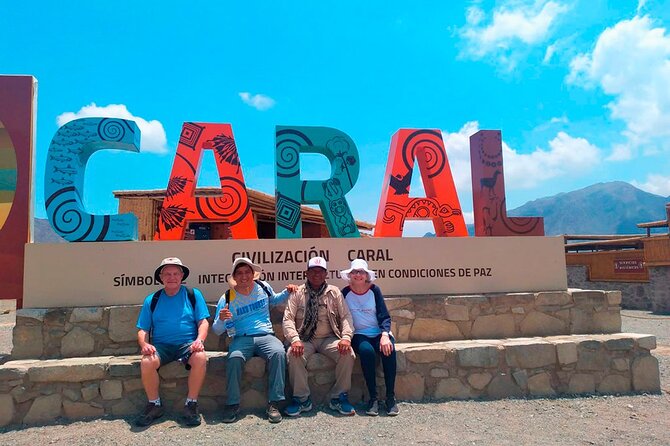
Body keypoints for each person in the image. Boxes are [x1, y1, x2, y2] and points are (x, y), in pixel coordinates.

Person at [212, 257, 297, 424]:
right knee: (234, 358)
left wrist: (288, 291)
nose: (244, 276)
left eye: (247, 272)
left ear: (253, 274)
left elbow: (274, 301)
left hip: (265, 335)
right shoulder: (228, 297)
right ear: (234, 277)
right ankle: (233, 404)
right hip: (241, 338)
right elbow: (216, 330)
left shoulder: (264, 287)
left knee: (279, 353)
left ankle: (274, 403)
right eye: (240, 273)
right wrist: (221, 319)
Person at [134, 257, 210, 427]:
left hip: (187, 344)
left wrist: (199, 340)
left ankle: (191, 404)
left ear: (182, 275)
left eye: (176, 273)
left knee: (199, 357)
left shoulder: (193, 295)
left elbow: (203, 322)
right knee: (147, 362)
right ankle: (154, 405)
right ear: (161, 277)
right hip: (161, 347)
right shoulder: (152, 300)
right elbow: (143, 329)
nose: (172, 277)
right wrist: (145, 345)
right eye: (167, 274)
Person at [283, 256, 356, 416]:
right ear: (306, 273)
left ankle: (338, 397)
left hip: (329, 338)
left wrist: (346, 337)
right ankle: (302, 399)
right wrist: (295, 340)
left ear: (326, 274)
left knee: (347, 353)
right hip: (305, 339)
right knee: (293, 354)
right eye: (313, 271)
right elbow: (288, 318)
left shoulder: (334, 292)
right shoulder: (297, 293)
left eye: (320, 271)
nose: (317, 274)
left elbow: (346, 317)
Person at [341, 258, 399, 416]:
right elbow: (341, 316)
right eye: (354, 272)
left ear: (366, 275)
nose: (358, 275)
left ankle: (390, 398)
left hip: (380, 333)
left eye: (361, 272)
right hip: (359, 334)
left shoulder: (374, 290)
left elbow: (384, 316)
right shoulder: (345, 293)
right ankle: (373, 398)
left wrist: (385, 335)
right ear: (350, 275)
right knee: (367, 352)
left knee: (389, 351)